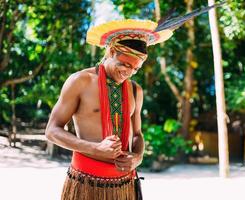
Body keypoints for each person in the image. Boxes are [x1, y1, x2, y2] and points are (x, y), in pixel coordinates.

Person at [45, 19, 173, 200]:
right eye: (125, 64)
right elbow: (51, 131)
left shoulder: (136, 90)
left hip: (124, 184)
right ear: (111, 51)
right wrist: (95, 148)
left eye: (136, 68)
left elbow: (137, 135)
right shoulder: (80, 81)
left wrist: (138, 157)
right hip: (85, 183)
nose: (129, 72)